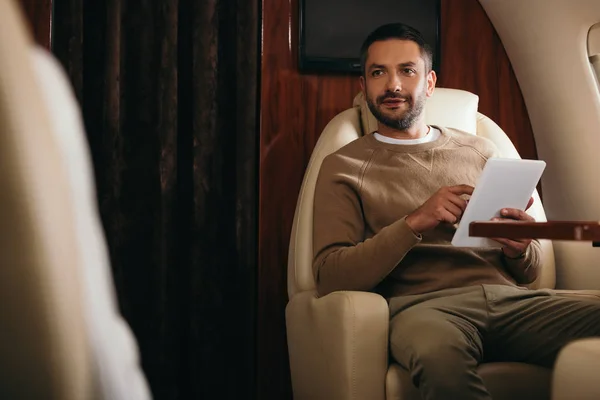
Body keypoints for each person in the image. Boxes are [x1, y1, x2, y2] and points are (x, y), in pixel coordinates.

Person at [312, 22, 600, 400]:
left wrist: (520, 248)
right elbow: (330, 275)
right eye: (378, 72)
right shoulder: (343, 165)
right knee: (437, 356)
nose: (393, 85)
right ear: (363, 86)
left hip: (512, 302)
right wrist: (414, 222)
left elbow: (528, 272)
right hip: (426, 310)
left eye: (407, 70)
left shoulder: (482, 151)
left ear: (429, 83)